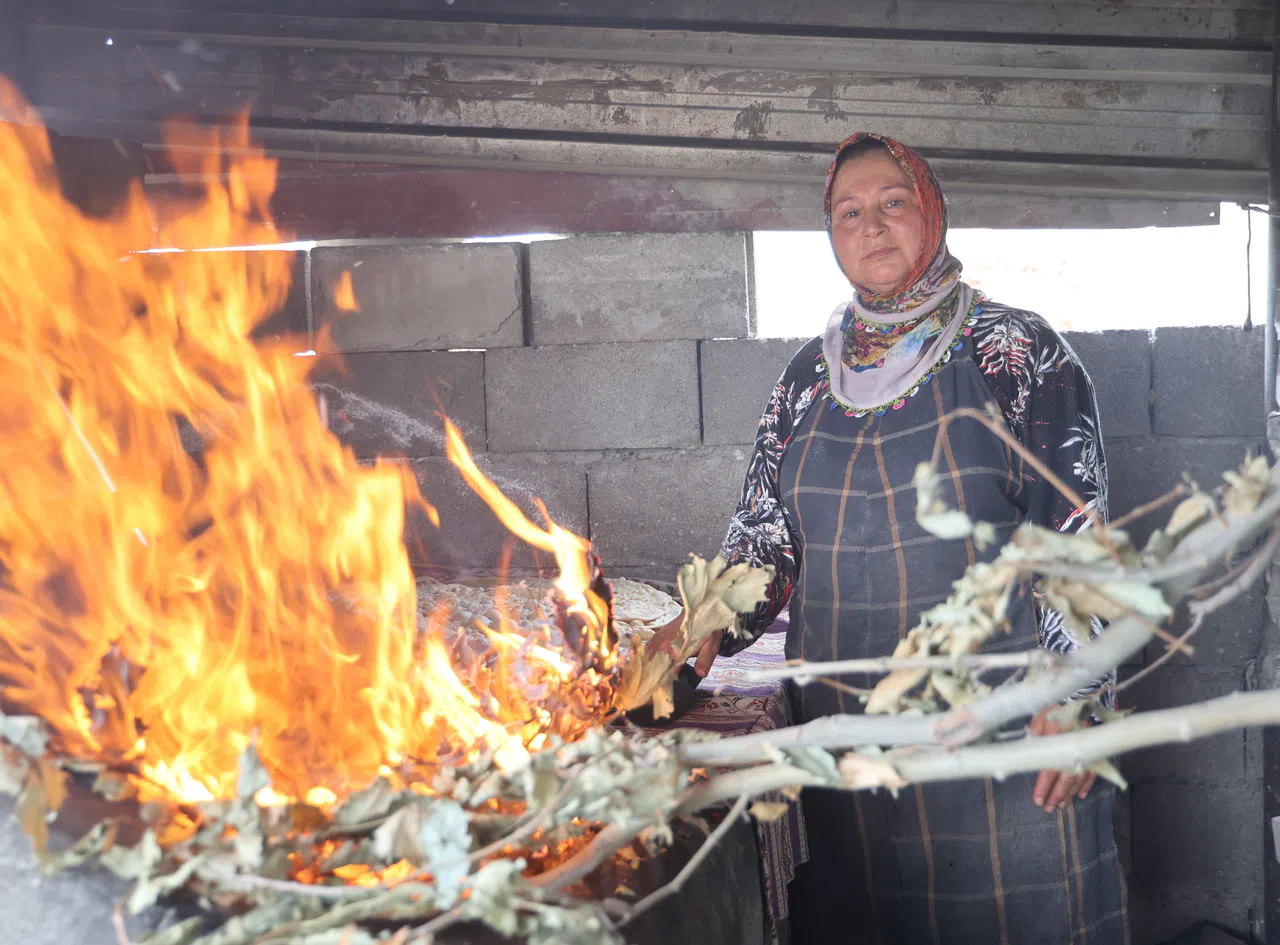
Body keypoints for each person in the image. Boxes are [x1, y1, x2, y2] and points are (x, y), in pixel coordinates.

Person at [652, 133, 1128, 944]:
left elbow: (1077, 537)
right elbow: (765, 534)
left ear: (931, 211)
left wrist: (1081, 695)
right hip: (853, 749)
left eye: (892, 202)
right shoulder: (806, 379)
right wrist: (703, 616)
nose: (871, 225)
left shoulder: (1016, 353)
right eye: (849, 212)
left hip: (1003, 745)